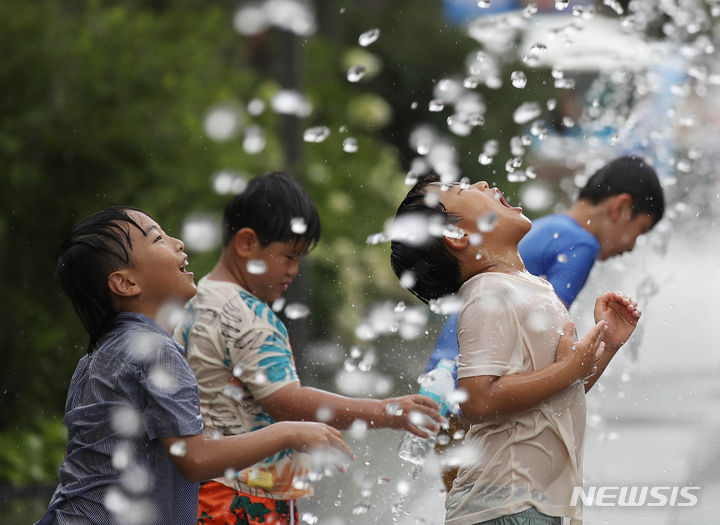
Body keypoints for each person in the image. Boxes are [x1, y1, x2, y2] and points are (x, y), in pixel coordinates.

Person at [37, 207, 352, 525]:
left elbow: (78, 463)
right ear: (126, 283)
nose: (178, 243)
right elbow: (194, 458)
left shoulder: (93, 359)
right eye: (158, 238)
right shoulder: (156, 350)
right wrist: (288, 432)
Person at [174, 172, 442, 524]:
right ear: (246, 243)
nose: (294, 270)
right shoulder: (249, 317)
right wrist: (385, 411)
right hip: (243, 498)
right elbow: (287, 401)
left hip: (200, 490)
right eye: (288, 256)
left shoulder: (200, 300)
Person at [390, 175, 641, 525]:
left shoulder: (530, 287)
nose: (480, 183)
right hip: (504, 506)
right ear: (457, 237)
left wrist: (607, 346)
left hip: (534, 503)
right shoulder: (486, 293)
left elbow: (561, 393)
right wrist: (570, 368)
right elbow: (476, 401)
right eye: (464, 191)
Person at [426, 155, 664, 489]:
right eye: (638, 232)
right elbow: (549, 345)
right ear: (620, 208)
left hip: (445, 385)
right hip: (475, 394)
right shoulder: (581, 244)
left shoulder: (549, 226)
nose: (631, 247)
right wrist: (593, 353)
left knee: (466, 503)